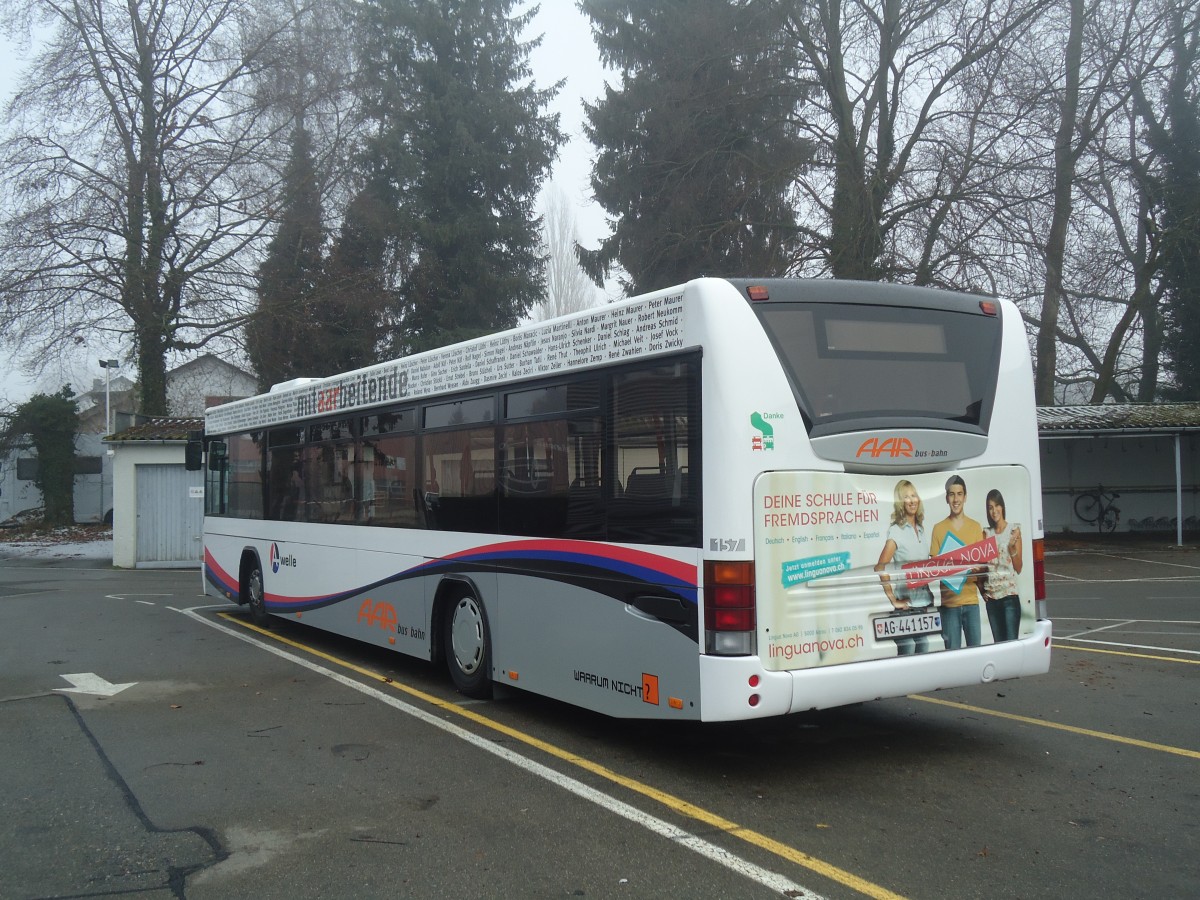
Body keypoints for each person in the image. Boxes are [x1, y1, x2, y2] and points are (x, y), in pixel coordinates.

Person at [874, 480, 935, 655]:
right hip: (906, 608)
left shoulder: (921, 529)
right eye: (906, 497)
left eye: (913, 495)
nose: (911, 500)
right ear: (900, 503)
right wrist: (893, 599)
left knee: (923, 651)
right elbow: (880, 567)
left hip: (923, 605)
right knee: (908, 650)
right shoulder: (896, 531)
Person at [929, 475, 983, 649]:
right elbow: (934, 567)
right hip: (949, 605)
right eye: (952, 494)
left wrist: (977, 568)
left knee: (976, 653)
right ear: (947, 498)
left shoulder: (976, 527)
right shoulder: (938, 529)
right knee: (952, 655)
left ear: (965, 497)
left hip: (971, 602)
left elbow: (983, 566)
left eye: (959, 494)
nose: (956, 499)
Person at [982, 489, 1022, 642]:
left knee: (1011, 644)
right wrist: (982, 589)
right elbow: (982, 566)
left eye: (997, 505)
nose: (994, 511)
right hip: (992, 599)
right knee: (999, 645)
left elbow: (1018, 568)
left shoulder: (1013, 531)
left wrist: (1011, 548)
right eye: (990, 507)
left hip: (1009, 597)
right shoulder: (986, 533)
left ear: (1002, 506)